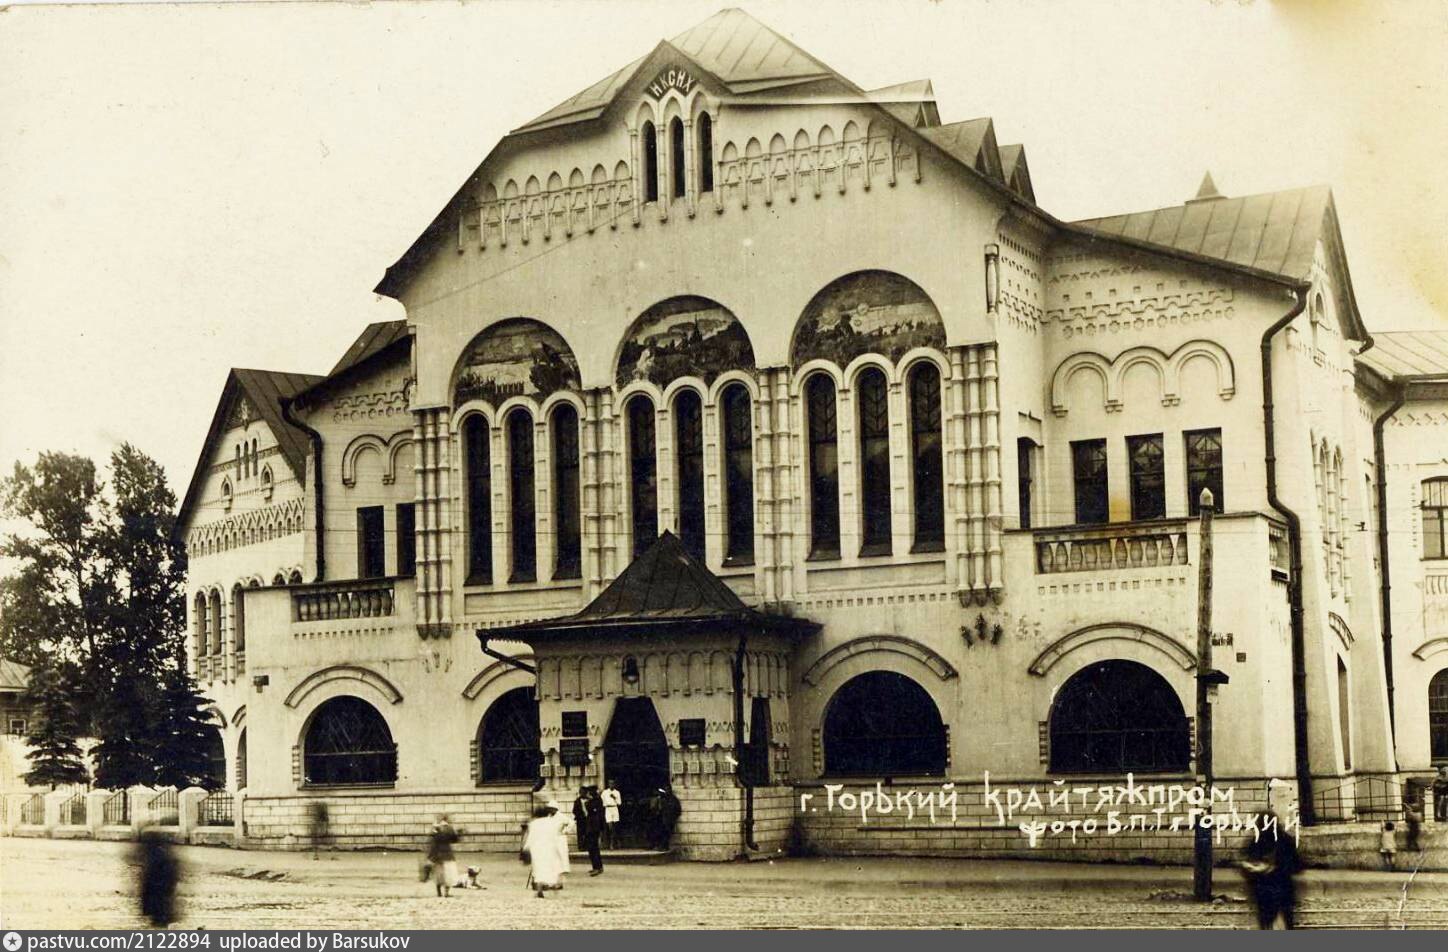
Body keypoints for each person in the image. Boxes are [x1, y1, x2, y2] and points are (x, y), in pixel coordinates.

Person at [1240, 812, 1301, 930]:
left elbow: (1246, 862)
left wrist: (1255, 868)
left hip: (1266, 893)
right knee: (1281, 923)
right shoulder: (1285, 840)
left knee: (1269, 923)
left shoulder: (1257, 840)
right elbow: (1296, 865)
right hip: (1280, 891)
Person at [134, 830, 179, 928]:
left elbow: (152, 874)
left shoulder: (156, 854)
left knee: (160, 913)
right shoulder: (162, 852)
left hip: (159, 890)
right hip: (161, 890)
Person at [522, 804, 568, 898]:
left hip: (537, 849)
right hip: (549, 847)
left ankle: (539, 890)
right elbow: (555, 835)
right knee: (552, 867)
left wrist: (526, 848)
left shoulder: (533, 824)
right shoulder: (551, 822)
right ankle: (555, 886)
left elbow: (531, 837)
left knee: (539, 869)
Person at [573, 785, 606, 876]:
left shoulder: (596, 801)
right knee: (591, 848)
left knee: (594, 848)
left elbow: (597, 814)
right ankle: (596, 867)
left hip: (594, 828)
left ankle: (597, 867)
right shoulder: (590, 801)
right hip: (589, 828)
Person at [427, 815, 461, 897]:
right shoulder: (449, 828)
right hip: (447, 854)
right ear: (447, 819)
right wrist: (459, 833)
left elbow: (433, 842)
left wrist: (430, 856)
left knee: (438, 875)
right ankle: (446, 892)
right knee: (449, 874)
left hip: (437, 855)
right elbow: (455, 839)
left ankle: (439, 893)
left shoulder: (436, 828)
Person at [601, 781, 622, 849]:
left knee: (615, 827)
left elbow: (619, 803)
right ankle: (611, 843)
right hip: (608, 809)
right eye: (610, 783)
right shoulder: (605, 792)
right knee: (610, 827)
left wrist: (614, 797)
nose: (611, 785)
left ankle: (615, 842)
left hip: (614, 808)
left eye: (613, 783)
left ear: (615, 784)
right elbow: (602, 800)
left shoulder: (617, 792)